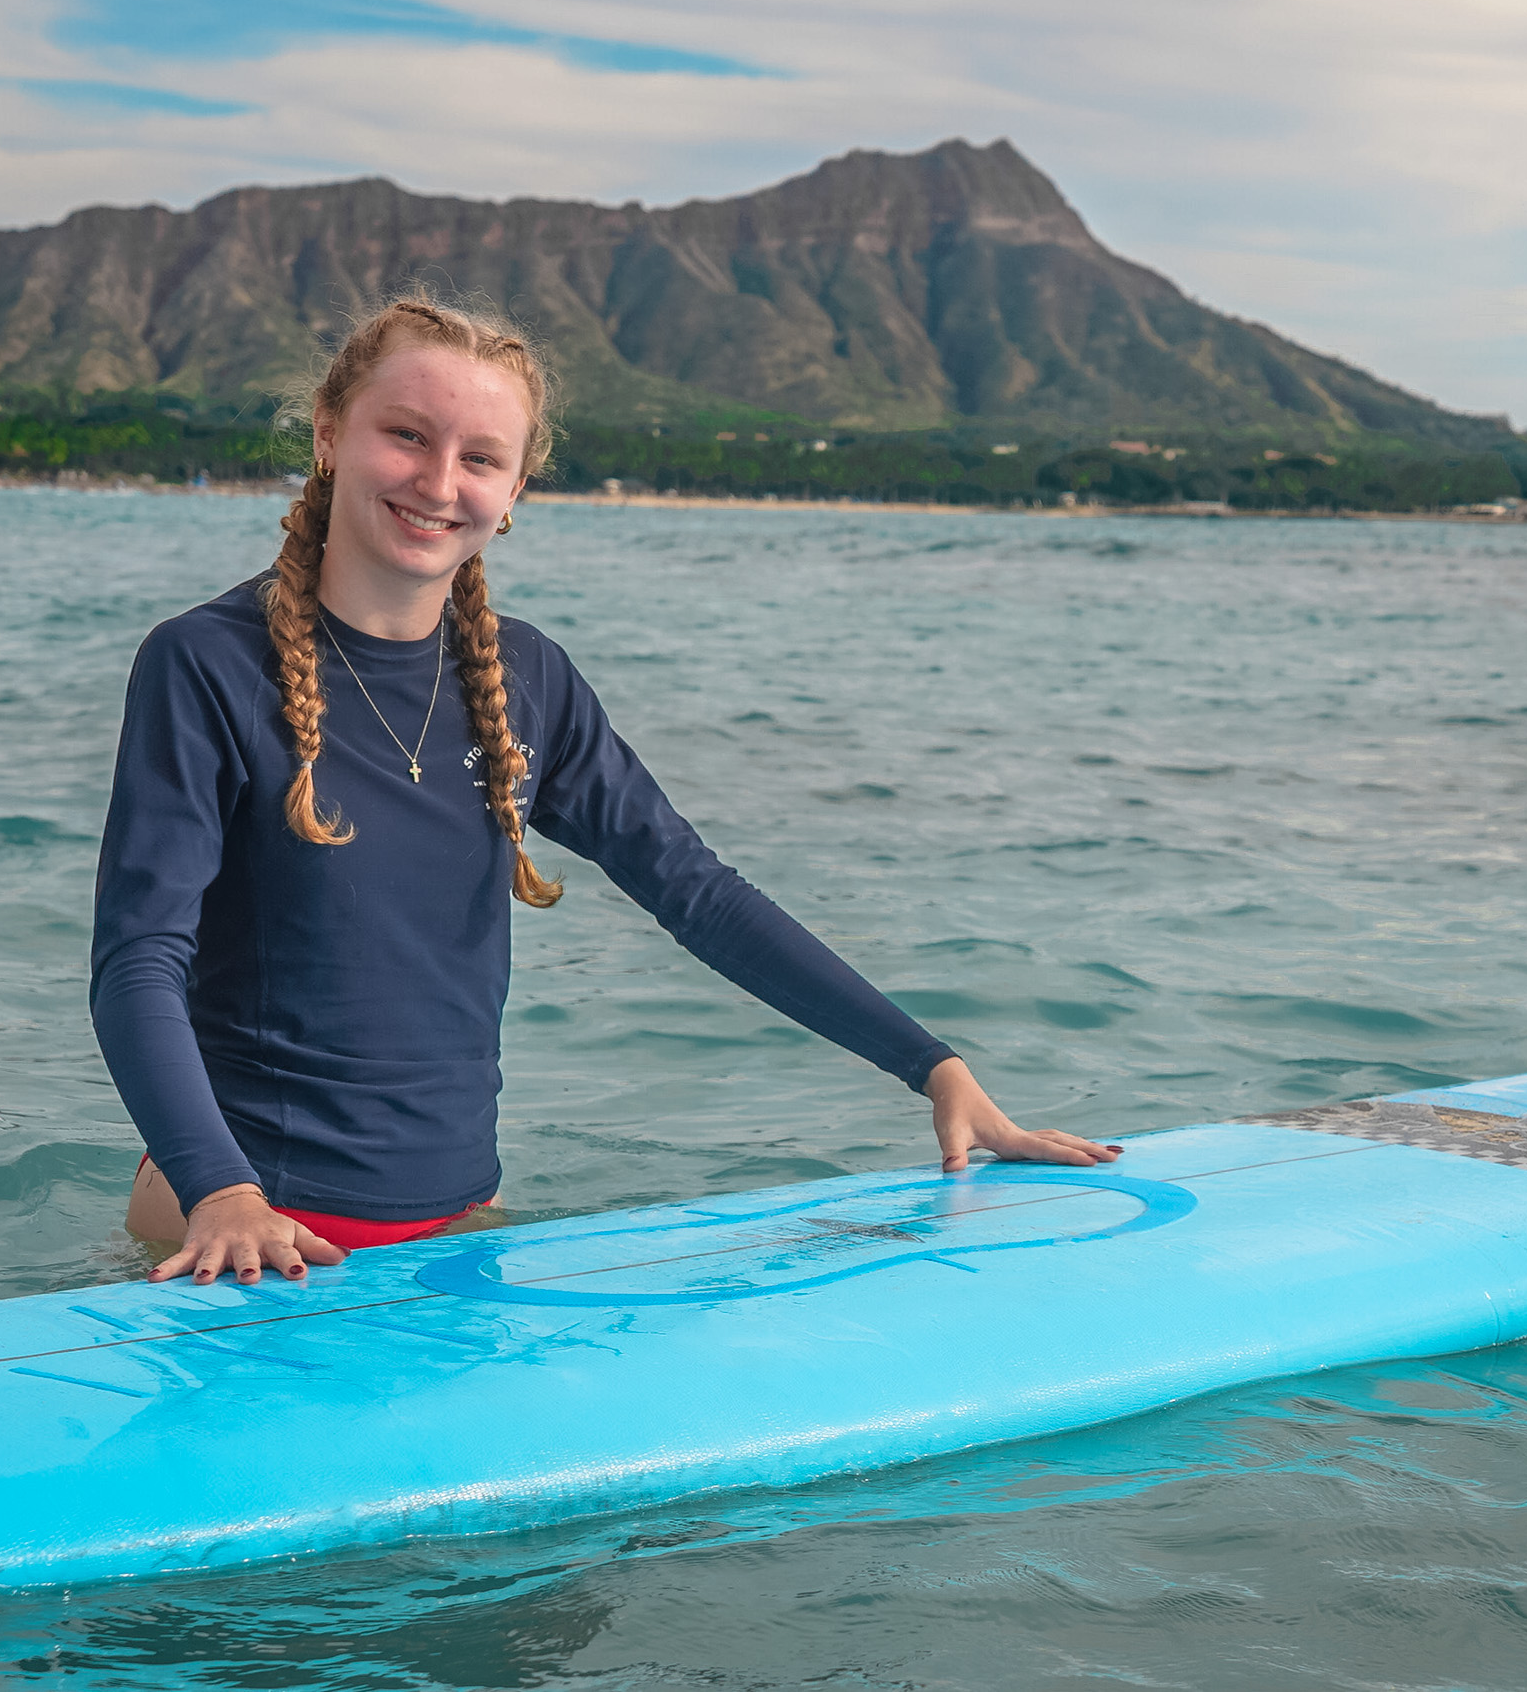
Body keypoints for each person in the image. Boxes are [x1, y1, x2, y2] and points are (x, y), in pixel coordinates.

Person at [91, 293, 1121, 1289]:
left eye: (480, 458)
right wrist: (219, 1189)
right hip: (241, 1229)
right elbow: (139, 959)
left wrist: (931, 1068)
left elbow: (696, 892)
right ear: (328, 435)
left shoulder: (526, 678)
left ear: (514, 491)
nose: (438, 480)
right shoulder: (205, 665)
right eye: (405, 435)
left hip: (458, 1223)